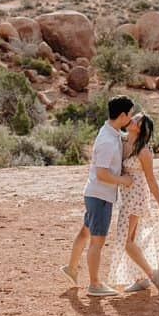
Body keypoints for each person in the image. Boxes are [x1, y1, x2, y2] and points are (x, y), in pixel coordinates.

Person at [61, 95, 135, 297]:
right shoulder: (107, 141)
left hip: (96, 195)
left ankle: (71, 268)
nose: (131, 117)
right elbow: (102, 173)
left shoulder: (111, 133)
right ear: (122, 115)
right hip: (100, 197)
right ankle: (94, 284)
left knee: (86, 232)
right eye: (130, 114)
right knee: (97, 241)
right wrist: (124, 180)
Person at [107, 113, 159, 295]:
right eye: (134, 117)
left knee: (126, 241)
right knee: (133, 239)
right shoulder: (121, 141)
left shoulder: (143, 151)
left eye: (137, 120)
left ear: (141, 129)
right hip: (125, 196)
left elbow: (151, 179)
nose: (133, 120)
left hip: (137, 197)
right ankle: (141, 280)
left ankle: (152, 274)